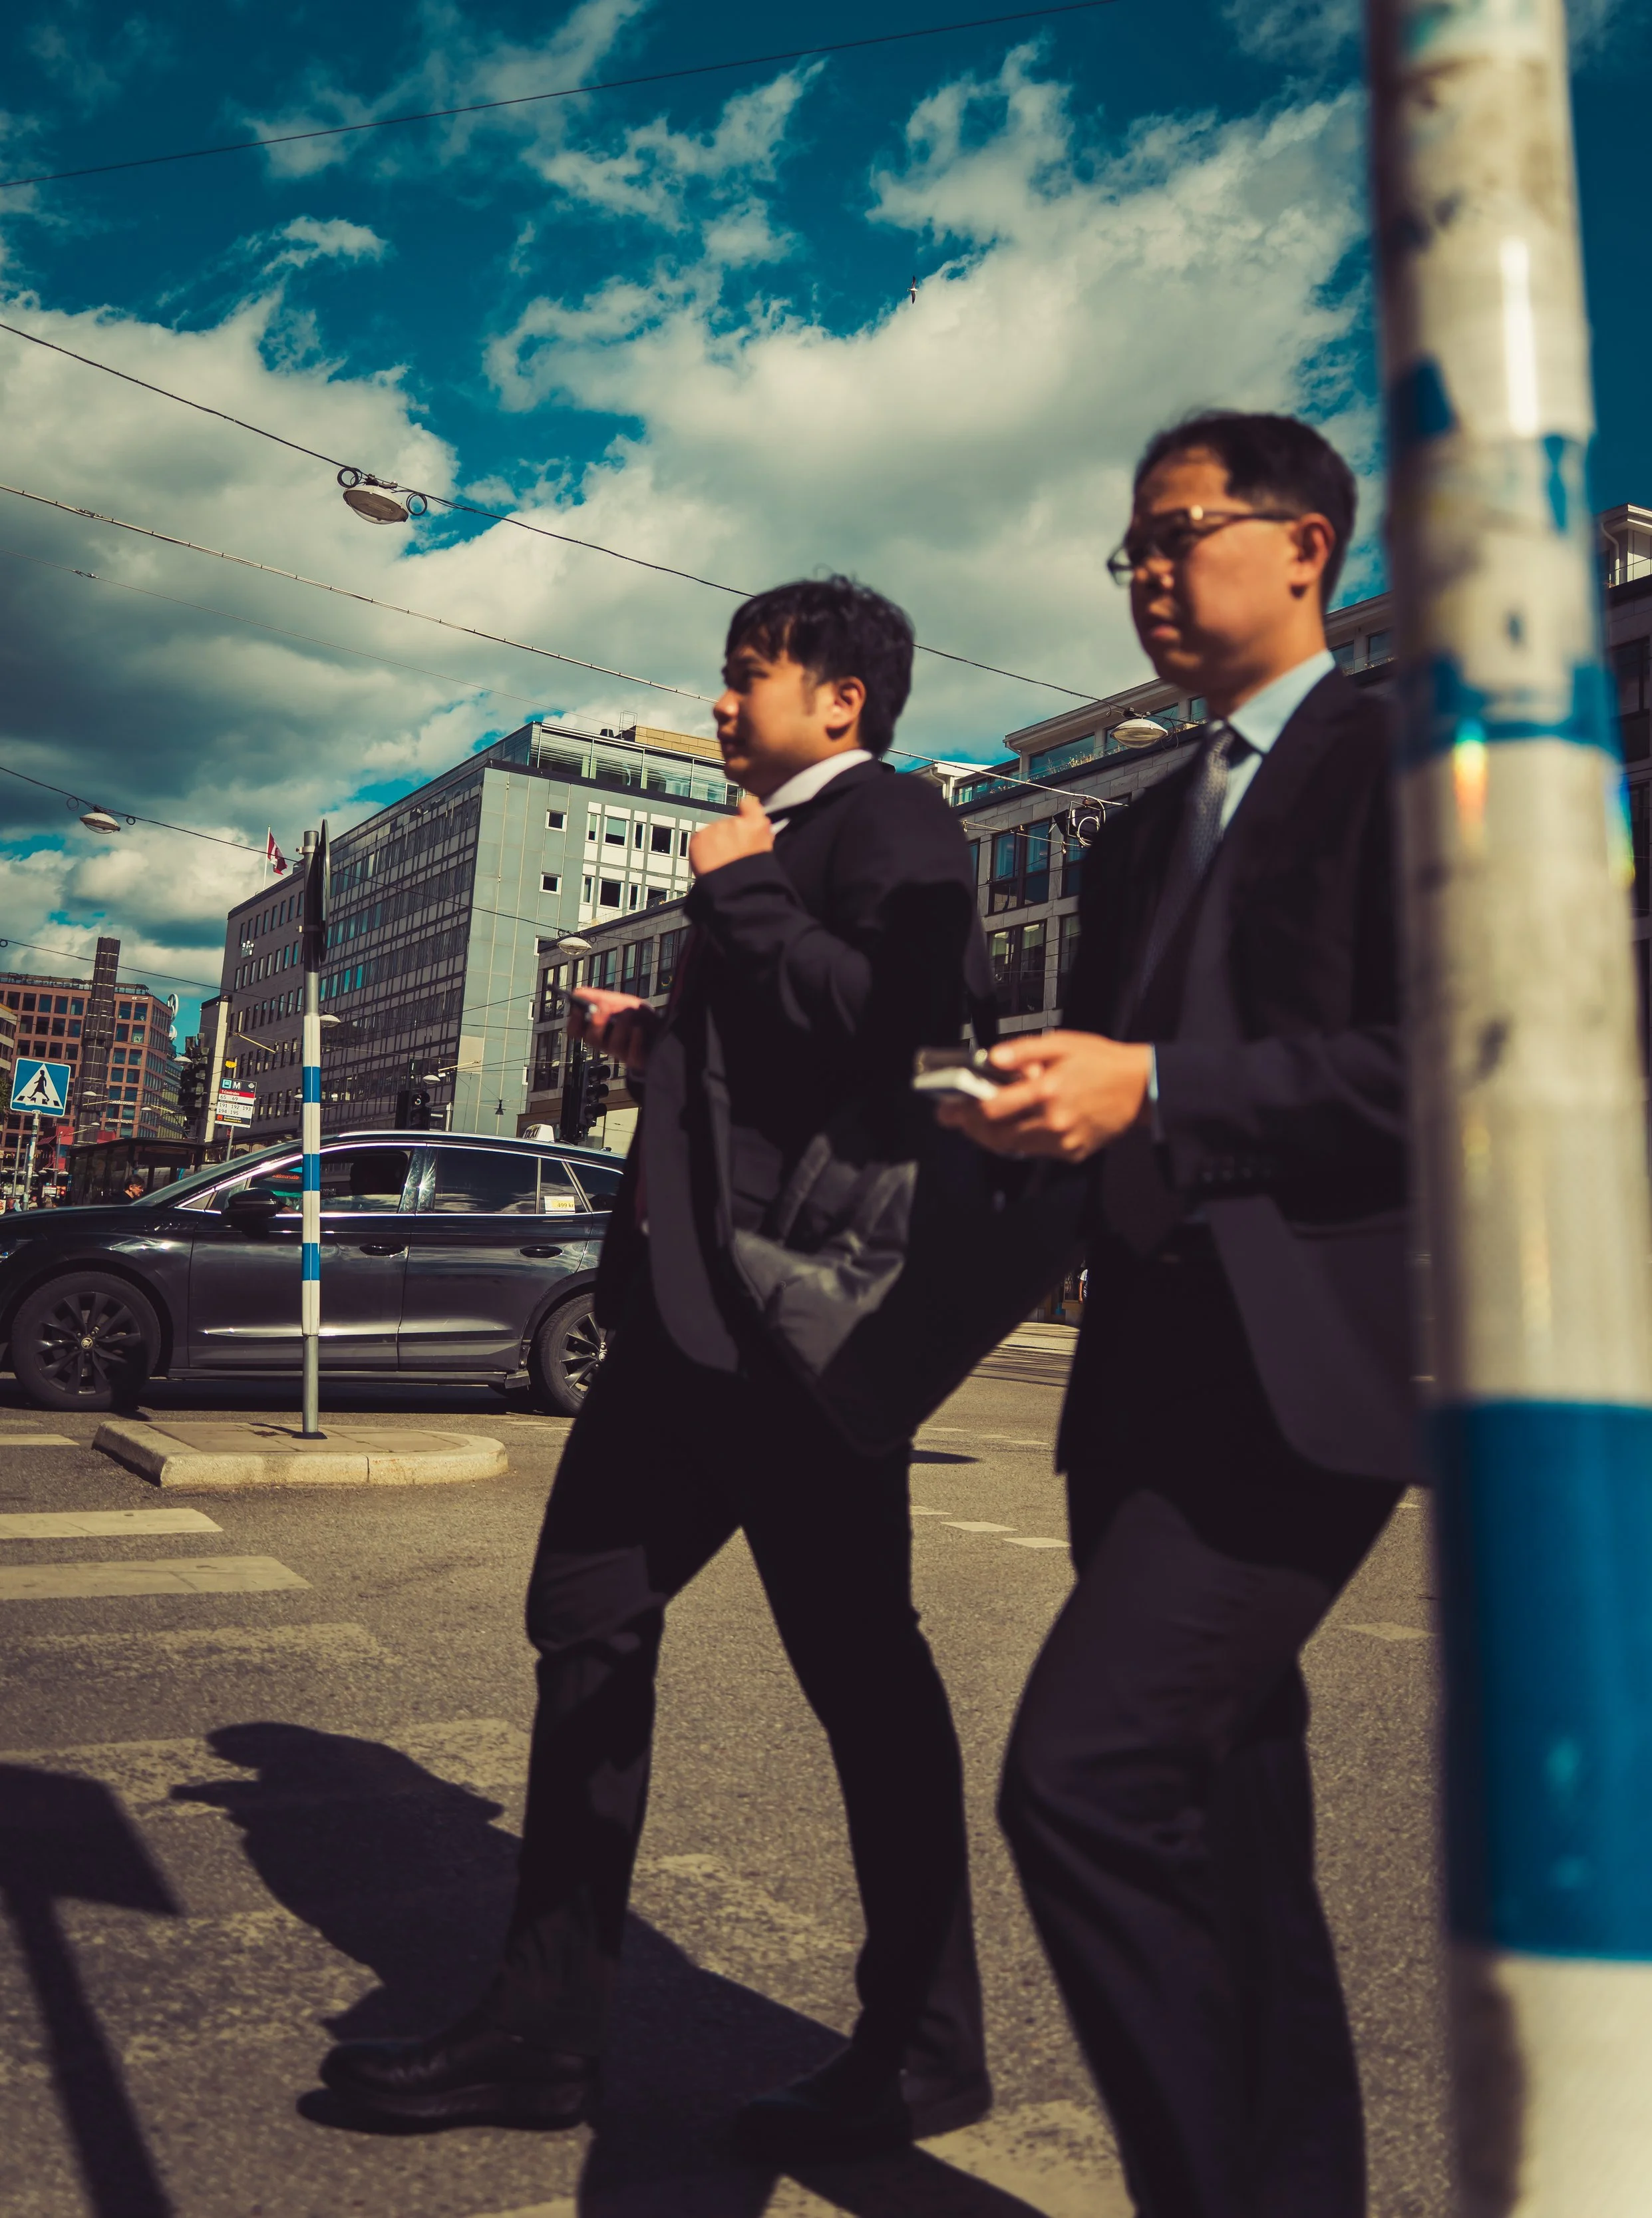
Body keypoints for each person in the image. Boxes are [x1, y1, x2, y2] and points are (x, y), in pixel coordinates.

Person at [322, 576, 992, 2157]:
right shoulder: (768, 853)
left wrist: (744, 897)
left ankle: (921, 2042)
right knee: (587, 1620)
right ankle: (541, 2033)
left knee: (861, 1682)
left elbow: (914, 1031)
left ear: (842, 699)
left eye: (744, 677)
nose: (716, 702)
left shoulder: (886, 820)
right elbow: (780, 1057)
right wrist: (657, 1040)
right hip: (684, 1338)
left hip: (791, 1347)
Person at [937, 412, 1418, 2218]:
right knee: (1234, 1842)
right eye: (1124, 549)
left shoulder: (1402, 752)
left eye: (1175, 535)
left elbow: (1455, 1059)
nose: (1143, 571)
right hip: (1137, 1376)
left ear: (1303, 547)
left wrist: (1160, 1085)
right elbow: (1128, 1081)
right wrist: (1020, 1112)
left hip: (1307, 1373)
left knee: (1078, 1779)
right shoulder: (1140, 825)